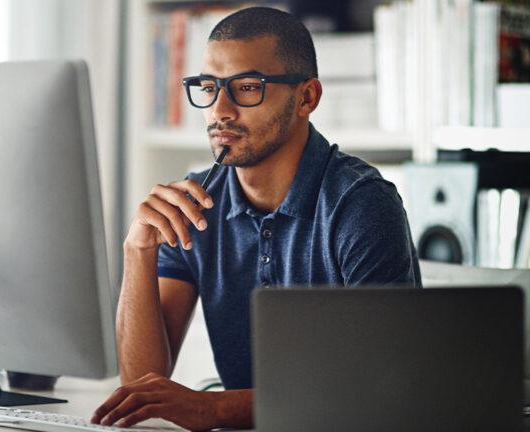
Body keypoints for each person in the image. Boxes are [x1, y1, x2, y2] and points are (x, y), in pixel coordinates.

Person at [91, 6, 421, 431]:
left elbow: (381, 387)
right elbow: (141, 387)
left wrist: (214, 409)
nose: (220, 110)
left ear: (307, 97)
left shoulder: (361, 204)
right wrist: (137, 250)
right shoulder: (195, 203)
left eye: (247, 87)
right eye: (209, 87)